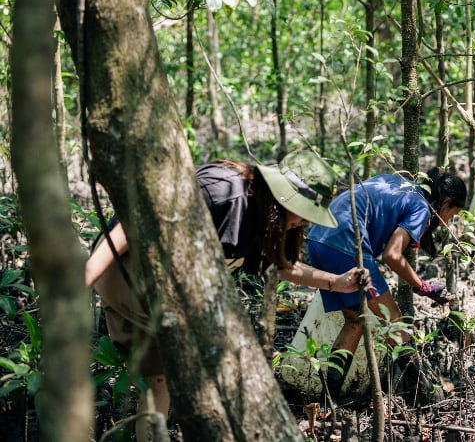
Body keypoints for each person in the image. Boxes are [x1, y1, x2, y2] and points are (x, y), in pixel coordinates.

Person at [85, 150, 367, 441]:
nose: (304, 222)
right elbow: (133, 224)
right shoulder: (223, 190)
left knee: (160, 383)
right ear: (283, 196)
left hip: (159, 290)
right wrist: (87, 274)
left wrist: (337, 282)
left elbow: (281, 265)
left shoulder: (262, 213)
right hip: (131, 275)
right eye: (304, 211)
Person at [306, 168, 467, 407]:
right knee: (393, 320)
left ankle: (326, 403)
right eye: (452, 213)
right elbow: (392, 255)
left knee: (355, 321)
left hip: (318, 239)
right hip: (347, 244)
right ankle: (423, 396)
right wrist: (423, 287)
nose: (448, 221)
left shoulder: (399, 183)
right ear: (446, 201)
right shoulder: (422, 205)